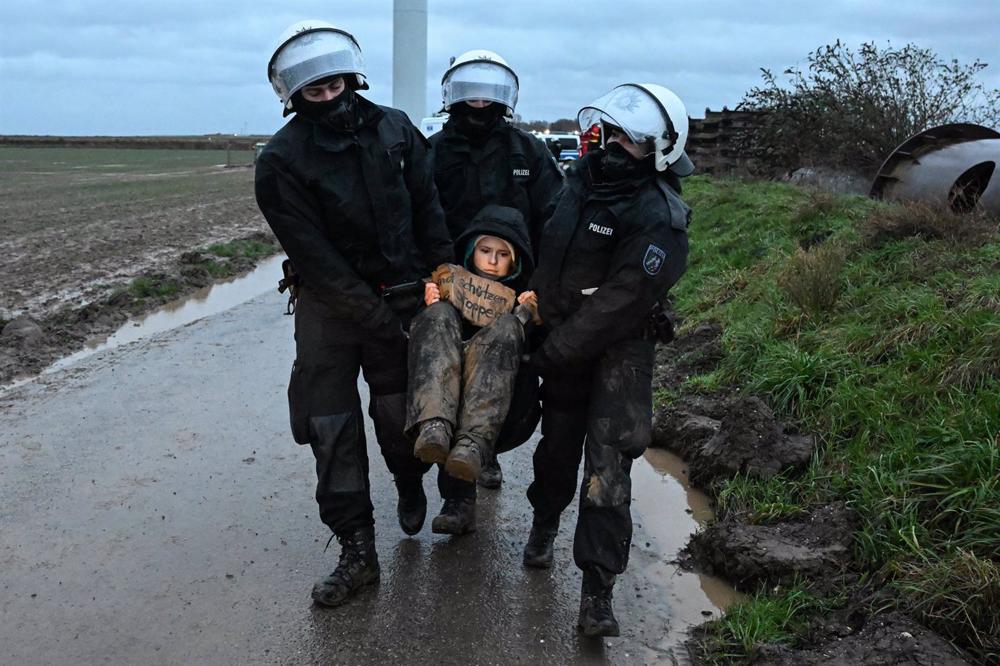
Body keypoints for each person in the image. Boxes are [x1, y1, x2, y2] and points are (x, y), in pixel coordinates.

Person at [254, 20, 453, 608]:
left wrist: (443, 276)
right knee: (330, 425)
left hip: (404, 292)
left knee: (398, 413)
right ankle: (357, 550)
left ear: (350, 76)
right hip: (329, 306)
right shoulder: (281, 161)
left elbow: (428, 208)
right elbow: (314, 256)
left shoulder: (395, 129)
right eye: (311, 91)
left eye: (332, 85)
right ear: (293, 95)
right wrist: (372, 315)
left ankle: (410, 483)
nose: (325, 97)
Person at [522, 83, 694, 637]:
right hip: (562, 340)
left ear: (661, 150)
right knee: (556, 448)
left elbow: (624, 299)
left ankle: (598, 592)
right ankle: (543, 525)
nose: (617, 145)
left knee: (608, 466)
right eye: (613, 132)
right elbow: (550, 254)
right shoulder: (579, 181)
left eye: (633, 140)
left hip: (620, 352)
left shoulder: (660, 215)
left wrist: (556, 350)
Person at [429, 49, 562, 497]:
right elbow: (418, 214)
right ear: (452, 96)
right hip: (452, 288)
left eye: (490, 95)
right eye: (471, 94)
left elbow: (554, 220)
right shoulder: (435, 152)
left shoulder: (530, 151)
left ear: (506, 97)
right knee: (449, 379)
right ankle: (456, 499)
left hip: (512, 293)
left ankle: (487, 453)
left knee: (505, 381)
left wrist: (541, 288)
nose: (479, 103)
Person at [405, 205, 538, 533]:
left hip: (495, 404)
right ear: (471, 252)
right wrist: (428, 298)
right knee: (437, 317)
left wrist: (530, 318)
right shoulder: (447, 281)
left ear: (515, 260)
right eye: (485, 250)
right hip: (439, 392)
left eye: (502, 254)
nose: (492, 260)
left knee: (507, 326)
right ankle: (434, 426)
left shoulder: (522, 296)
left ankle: (473, 444)